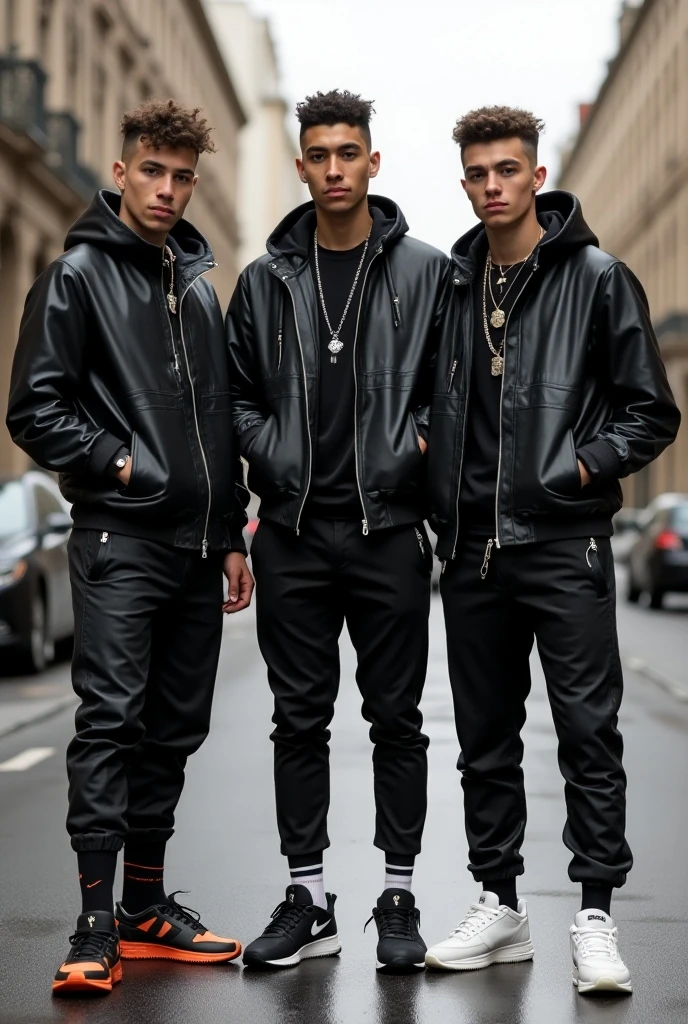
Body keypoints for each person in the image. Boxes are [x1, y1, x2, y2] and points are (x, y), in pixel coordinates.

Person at [424, 105, 680, 994]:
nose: (492, 186)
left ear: (537, 176)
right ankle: (501, 908)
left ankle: (596, 916)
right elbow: (423, 396)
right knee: (484, 742)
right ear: (464, 182)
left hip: (563, 542)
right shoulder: (452, 287)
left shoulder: (598, 278)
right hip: (470, 553)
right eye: (477, 174)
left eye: (507, 170)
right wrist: (426, 451)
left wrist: (577, 468)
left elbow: (651, 410)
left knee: (587, 734)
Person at [7, 99, 253, 996]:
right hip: (120, 536)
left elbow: (218, 419)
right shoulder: (75, 276)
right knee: (111, 721)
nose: (169, 190)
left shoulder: (195, 284)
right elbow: (35, 408)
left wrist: (229, 532)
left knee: (175, 728)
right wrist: (118, 461)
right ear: (122, 172)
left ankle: (146, 908)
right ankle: (92, 923)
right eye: (154, 171)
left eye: (183, 177)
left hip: (196, 547)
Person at [226, 89, 449, 973]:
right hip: (291, 530)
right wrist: (267, 447)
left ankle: (398, 892)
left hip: (389, 527)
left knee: (397, 718)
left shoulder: (428, 272)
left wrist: (417, 442)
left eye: (347, 153)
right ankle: (309, 895)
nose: (332, 169)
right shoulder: (265, 280)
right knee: (297, 720)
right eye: (317, 154)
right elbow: (233, 397)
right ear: (302, 165)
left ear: (372, 162)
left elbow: (451, 383)